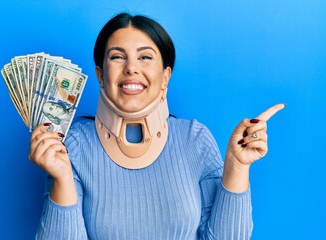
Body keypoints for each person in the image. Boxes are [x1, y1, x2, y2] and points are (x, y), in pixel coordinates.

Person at [28, 13, 285, 240]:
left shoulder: (194, 139)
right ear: (100, 76)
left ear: (165, 76)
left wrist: (237, 166)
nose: (131, 68)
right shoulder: (72, 145)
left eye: (145, 57)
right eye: (118, 57)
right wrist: (61, 177)